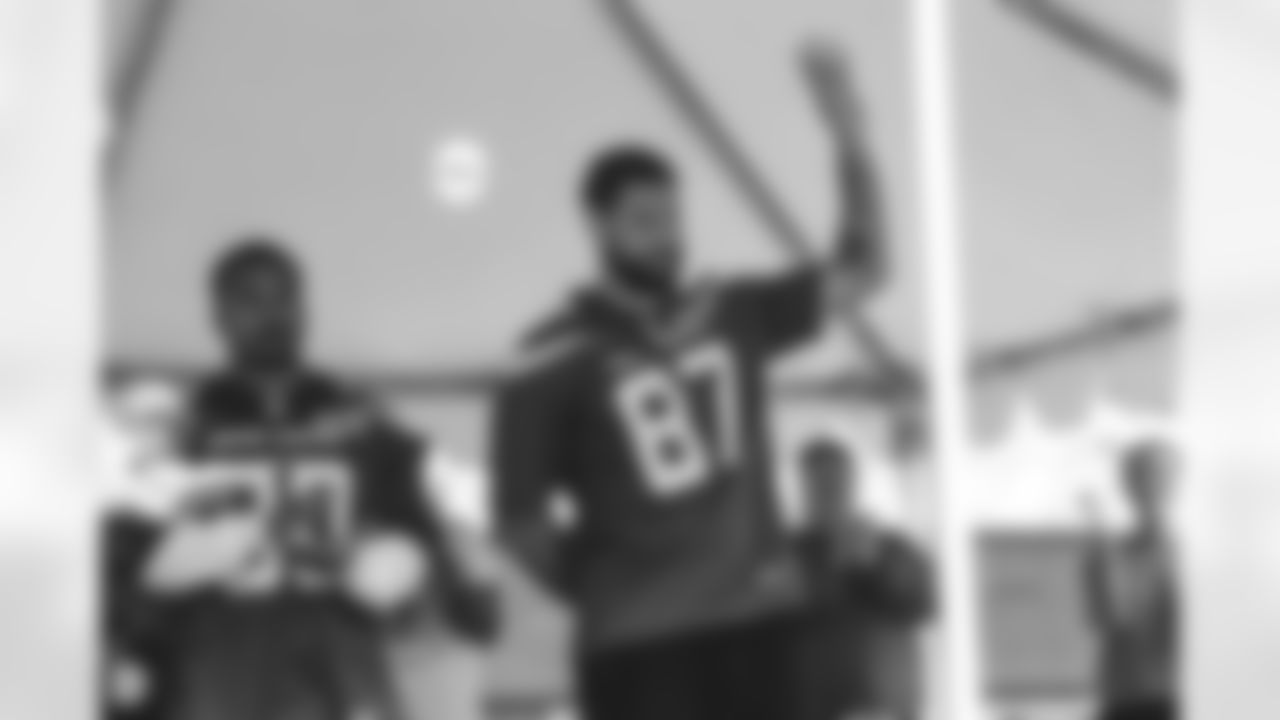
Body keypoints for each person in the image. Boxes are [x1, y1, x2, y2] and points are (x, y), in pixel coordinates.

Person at [490, 43, 890, 720]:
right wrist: (605, 585)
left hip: (751, 619)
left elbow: (867, 269)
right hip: (641, 643)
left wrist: (851, 141)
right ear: (597, 225)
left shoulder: (735, 310)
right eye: (644, 221)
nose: (666, 238)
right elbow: (518, 522)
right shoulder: (549, 356)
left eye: (674, 218)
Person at [114, 239, 499, 720]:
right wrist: (138, 629)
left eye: (285, 297)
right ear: (219, 316)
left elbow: (416, 516)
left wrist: (458, 590)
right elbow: (131, 554)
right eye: (251, 299)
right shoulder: (186, 429)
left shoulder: (359, 420)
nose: (272, 314)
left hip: (340, 652)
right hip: (218, 659)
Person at [792, 437, 934, 720]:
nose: (829, 492)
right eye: (820, 484)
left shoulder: (891, 548)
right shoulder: (789, 555)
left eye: (836, 482)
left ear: (852, 483)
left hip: (882, 708)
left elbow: (925, 603)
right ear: (805, 487)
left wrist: (874, 565)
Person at [1082, 441, 1180, 720]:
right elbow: (1104, 617)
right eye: (1139, 477)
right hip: (1124, 697)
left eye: (1156, 478)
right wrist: (1100, 556)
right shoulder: (1118, 550)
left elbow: (1118, 616)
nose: (1148, 488)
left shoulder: (1178, 550)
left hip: (1159, 698)